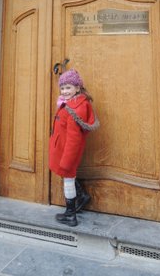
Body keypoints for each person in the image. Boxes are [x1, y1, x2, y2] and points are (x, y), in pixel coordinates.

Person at [49, 68, 99, 227]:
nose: (64, 91)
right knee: (68, 178)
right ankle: (82, 196)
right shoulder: (72, 103)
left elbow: (74, 139)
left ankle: (70, 214)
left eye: (68, 87)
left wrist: (67, 161)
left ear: (78, 88)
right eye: (62, 88)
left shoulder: (74, 109)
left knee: (68, 180)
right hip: (62, 149)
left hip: (67, 152)